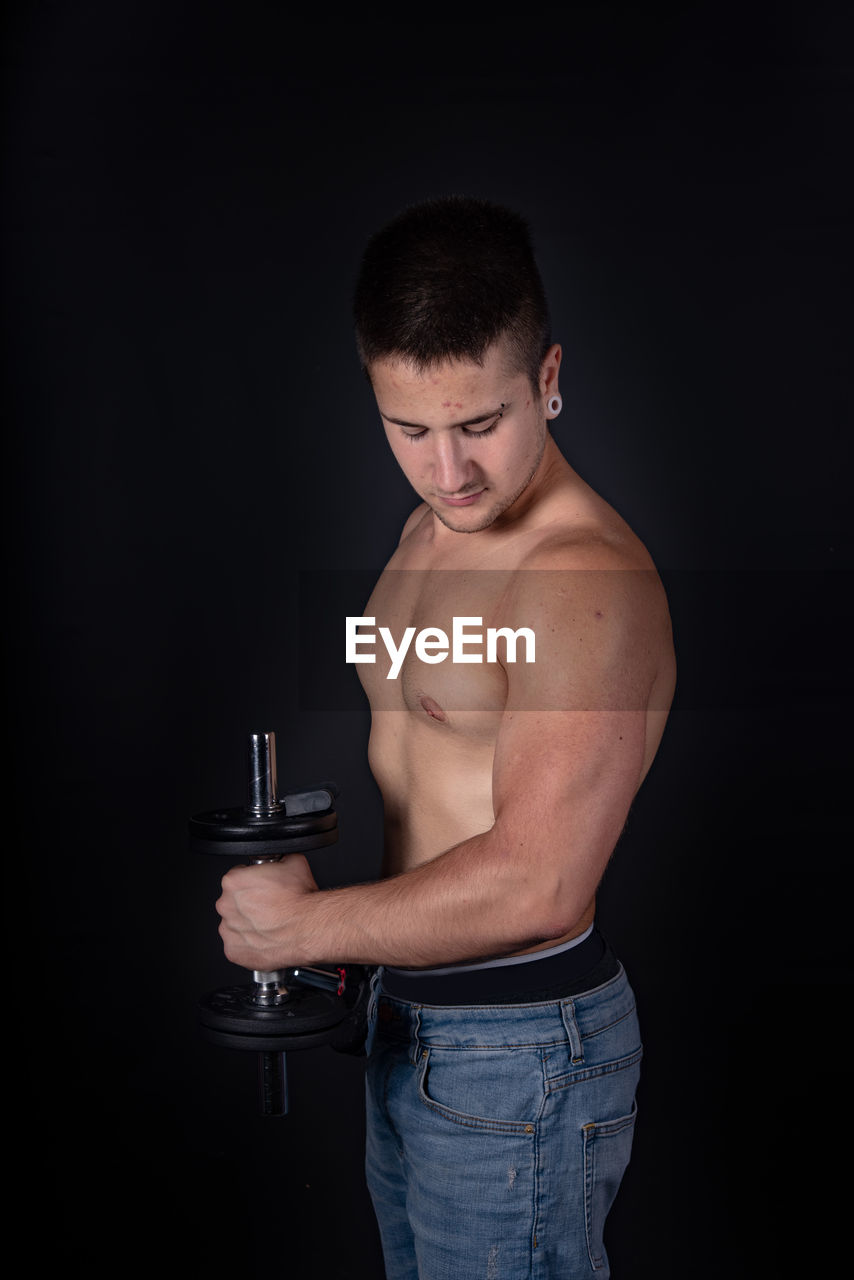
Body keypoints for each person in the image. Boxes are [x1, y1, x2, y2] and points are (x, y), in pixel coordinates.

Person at [216, 196, 676, 1277]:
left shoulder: (580, 583)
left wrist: (302, 926)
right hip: (409, 1030)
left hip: (518, 1059)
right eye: (410, 428)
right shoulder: (428, 528)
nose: (447, 470)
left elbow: (537, 884)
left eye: (480, 423)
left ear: (547, 378)